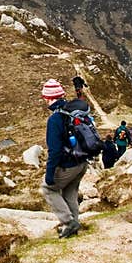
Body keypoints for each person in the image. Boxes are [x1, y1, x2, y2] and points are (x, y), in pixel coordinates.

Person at [40, 78, 88, 239]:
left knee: (48, 188)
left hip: (69, 164)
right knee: (70, 192)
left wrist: (49, 173)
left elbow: (54, 151)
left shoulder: (55, 119)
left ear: (48, 98)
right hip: (82, 162)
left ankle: (68, 222)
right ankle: (73, 228)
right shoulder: (73, 111)